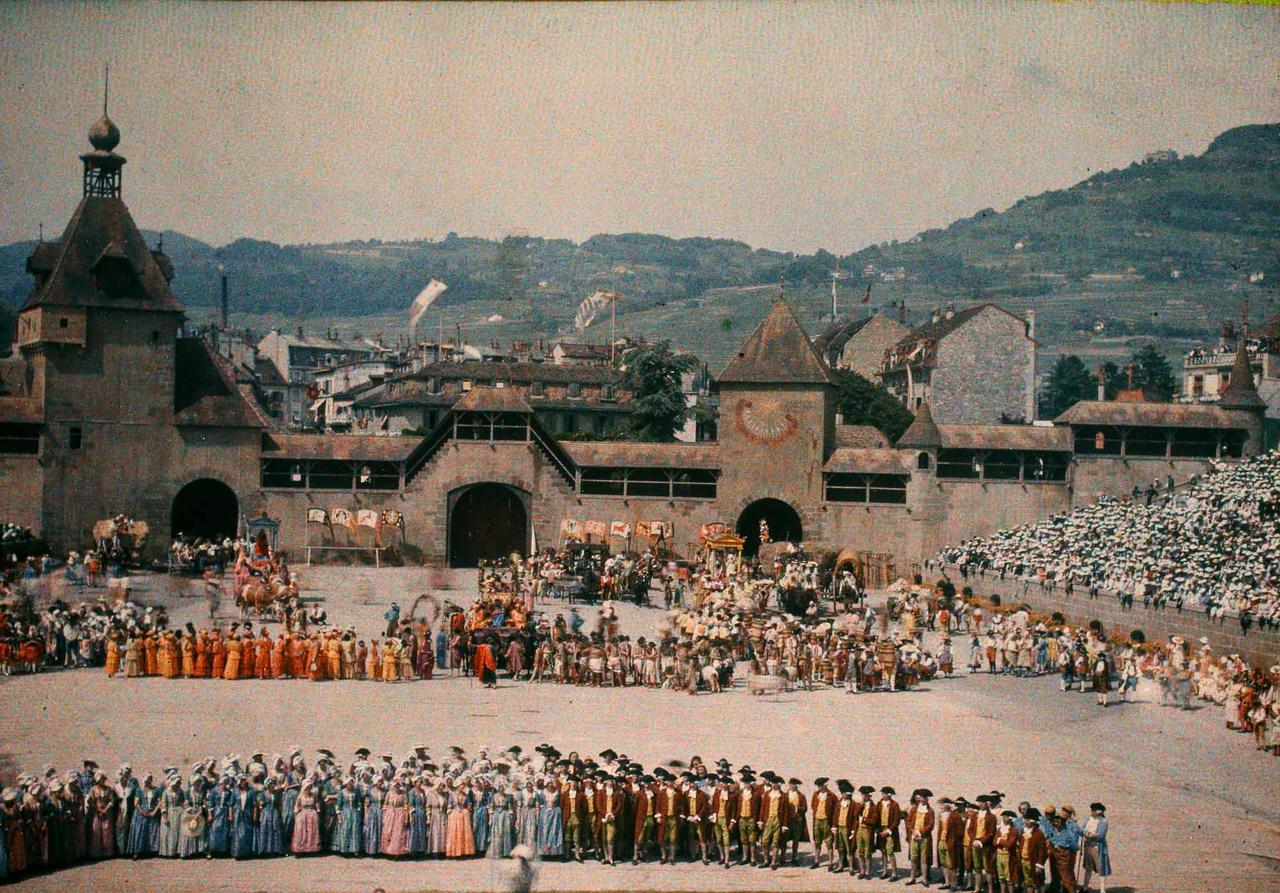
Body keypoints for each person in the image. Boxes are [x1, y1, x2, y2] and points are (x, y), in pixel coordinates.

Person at [1078, 803, 1110, 893]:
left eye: (1093, 810)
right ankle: (1085, 887)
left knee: (1101, 868)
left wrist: (1089, 834)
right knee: (1088, 867)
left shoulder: (1104, 821)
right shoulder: (1089, 819)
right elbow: (1082, 829)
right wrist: (1087, 833)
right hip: (1088, 846)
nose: (1092, 812)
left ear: (1098, 811)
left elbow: (1101, 836)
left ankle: (1102, 890)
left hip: (1097, 847)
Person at [906, 788, 935, 886]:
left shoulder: (930, 811)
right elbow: (908, 821)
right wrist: (912, 830)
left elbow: (931, 825)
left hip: (924, 838)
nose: (922, 800)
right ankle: (912, 878)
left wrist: (920, 832)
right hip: (914, 836)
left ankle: (924, 879)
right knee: (914, 858)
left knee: (924, 859)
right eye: (921, 798)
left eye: (924, 798)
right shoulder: (914, 808)